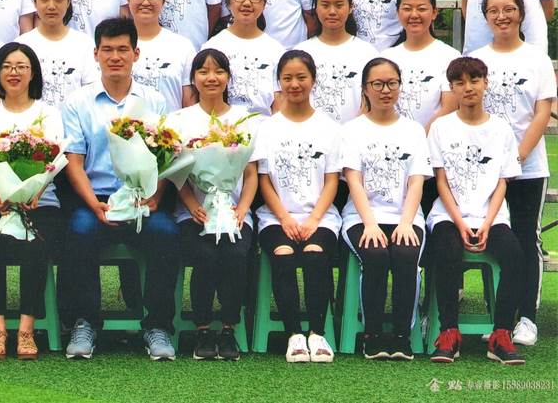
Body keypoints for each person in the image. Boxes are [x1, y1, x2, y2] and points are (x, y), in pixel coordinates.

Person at [59, 17, 178, 361]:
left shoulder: (154, 100)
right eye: (107, 49)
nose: (115, 57)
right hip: (96, 199)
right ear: (95, 54)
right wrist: (94, 205)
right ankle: (85, 323)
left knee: (167, 234)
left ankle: (157, 326)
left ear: (135, 54)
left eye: (122, 49)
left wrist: (155, 197)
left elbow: (167, 155)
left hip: (142, 200)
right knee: (79, 231)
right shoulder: (77, 102)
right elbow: (75, 163)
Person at [468, 0, 554, 347]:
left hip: (527, 168)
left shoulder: (536, 59)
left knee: (524, 237)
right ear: (485, 17)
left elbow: (543, 111)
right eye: (494, 11)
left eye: (509, 9)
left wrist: (516, 156)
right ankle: (499, 318)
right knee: (489, 238)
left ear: (521, 13)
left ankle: (526, 318)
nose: (502, 16)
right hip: (482, 170)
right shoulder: (475, 59)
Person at [426, 56, 527, 365]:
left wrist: (487, 223)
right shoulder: (441, 127)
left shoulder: (501, 129)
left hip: (491, 216)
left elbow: (502, 182)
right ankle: (449, 332)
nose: (468, 87)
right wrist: (459, 223)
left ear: (486, 83)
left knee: (515, 256)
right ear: (452, 87)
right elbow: (441, 182)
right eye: (459, 82)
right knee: (446, 251)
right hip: (449, 215)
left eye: (474, 80)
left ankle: (501, 334)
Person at [0, 43, 64, 361]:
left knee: (35, 247)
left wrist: (34, 192)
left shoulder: (48, 114)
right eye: (7, 66)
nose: (14, 72)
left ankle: (26, 330)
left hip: (40, 201)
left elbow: (53, 161)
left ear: (33, 72)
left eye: (21, 66)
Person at [164, 49, 257, 361]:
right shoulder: (179, 120)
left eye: (218, 71)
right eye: (203, 71)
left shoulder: (243, 119)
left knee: (236, 254)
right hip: (194, 213)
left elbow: (250, 172)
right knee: (204, 255)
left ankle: (229, 328)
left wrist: (242, 209)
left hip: (234, 211)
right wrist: (192, 205)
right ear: (193, 78)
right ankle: (202, 328)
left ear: (228, 77)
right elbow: (176, 172)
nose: (211, 77)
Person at [339, 57, 431, 361]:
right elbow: (354, 181)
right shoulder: (352, 130)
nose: (385, 90)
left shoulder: (414, 130)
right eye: (377, 84)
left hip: (406, 216)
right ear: (365, 89)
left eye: (392, 83)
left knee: (406, 255)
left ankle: (402, 335)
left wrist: (406, 223)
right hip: (362, 217)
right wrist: (370, 224)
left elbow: (416, 182)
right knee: (376, 255)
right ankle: (373, 334)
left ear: (400, 86)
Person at [253, 50, 341, 363]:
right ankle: (294, 334)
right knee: (283, 253)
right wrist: (285, 218)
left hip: (321, 217)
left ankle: (317, 332)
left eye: (301, 77)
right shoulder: (267, 127)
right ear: (279, 81)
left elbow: (332, 180)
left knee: (316, 253)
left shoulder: (329, 127)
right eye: (287, 78)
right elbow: (264, 181)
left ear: (313, 80)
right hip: (276, 217)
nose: (294, 84)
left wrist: (314, 219)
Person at [203, 0, 285, 116]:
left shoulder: (276, 50)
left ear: (264, 4)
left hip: (263, 125)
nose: (247, 3)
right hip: (222, 126)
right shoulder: (213, 47)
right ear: (228, 2)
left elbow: (279, 100)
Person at [297, 0, 378, 123]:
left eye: (339, 5)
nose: (332, 12)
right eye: (325, 5)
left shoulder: (367, 53)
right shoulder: (302, 52)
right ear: (315, 8)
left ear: (351, 7)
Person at [18, 0, 99, 112]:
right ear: (34, 2)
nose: (51, 6)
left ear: (68, 1)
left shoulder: (84, 44)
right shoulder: (22, 45)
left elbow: (91, 91)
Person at [384, 0, 458, 130]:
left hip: (433, 139)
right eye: (407, 9)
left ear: (434, 13)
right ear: (397, 13)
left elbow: (450, 107)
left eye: (422, 9)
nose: (414, 15)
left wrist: (420, 138)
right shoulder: (386, 58)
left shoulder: (450, 56)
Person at [124, 0, 196, 112]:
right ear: (128, 0)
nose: (145, 3)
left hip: (170, 125)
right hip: (124, 124)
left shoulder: (182, 46)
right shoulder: (116, 45)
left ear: (164, 1)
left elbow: (189, 101)